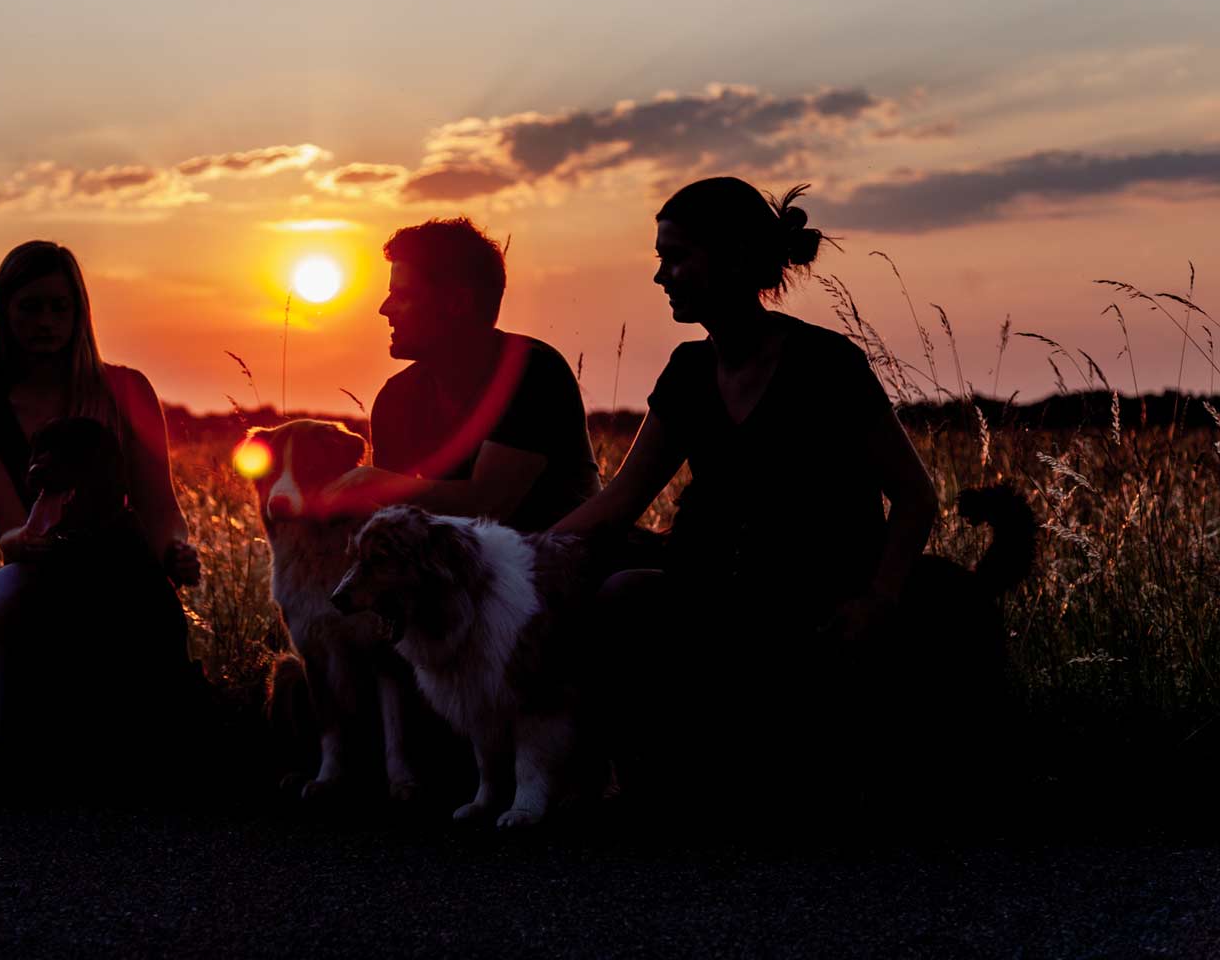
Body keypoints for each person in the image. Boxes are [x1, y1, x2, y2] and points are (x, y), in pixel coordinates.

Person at [551, 178, 939, 808]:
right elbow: (623, 498)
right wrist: (521, 550)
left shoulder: (826, 363)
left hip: (809, 596)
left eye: (676, 257)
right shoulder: (686, 371)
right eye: (660, 258)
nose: (661, 276)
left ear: (733, 256)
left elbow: (916, 497)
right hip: (709, 585)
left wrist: (878, 601)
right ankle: (623, 774)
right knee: (621, 591)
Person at [0, 240, 202, 770]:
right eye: (30, 307)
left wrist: (176, 551)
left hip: (116, 573)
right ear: (4, 314)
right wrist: (21, 541)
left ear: (79, 312)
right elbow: (11, 534)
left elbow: (160, 506)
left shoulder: (126, 389)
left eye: (60, 307)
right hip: (37, 588)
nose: (46, 321)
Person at [324, 217, 600, 530]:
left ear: (457, 302)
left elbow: (488, 505)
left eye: (402, 295)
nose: (384, 309)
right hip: (464, 569)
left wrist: (375, 482)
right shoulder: (396, 398)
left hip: (567, 564)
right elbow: (395, 522)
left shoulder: (531, 371)